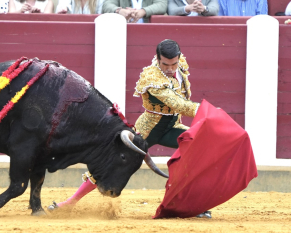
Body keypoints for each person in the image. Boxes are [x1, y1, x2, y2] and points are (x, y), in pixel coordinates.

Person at [48, 40, 208, 218]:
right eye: (165, 64)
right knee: (111, 163)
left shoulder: (180, 65)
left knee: (199, 147)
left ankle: (191, 204)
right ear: (157, 59)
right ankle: (70, 202)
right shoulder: (151, 77)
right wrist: (205, 111)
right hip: (147, 130)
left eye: (174, 64)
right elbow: (177, 103)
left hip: (172, 126)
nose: (170, 68)